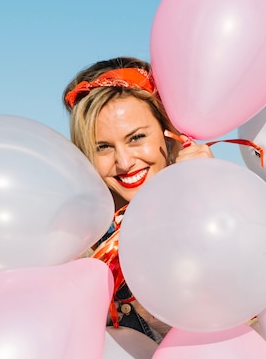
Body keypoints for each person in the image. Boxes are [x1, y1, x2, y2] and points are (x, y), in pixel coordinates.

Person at [63, 56, 213, 343]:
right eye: (103, 147)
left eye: (136, 138)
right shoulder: (75, 244)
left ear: (169, 132)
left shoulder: (215, 215)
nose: (124, 161)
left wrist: (207, 193)